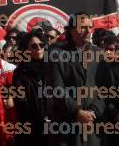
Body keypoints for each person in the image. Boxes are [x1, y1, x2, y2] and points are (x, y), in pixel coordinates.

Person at [45, 13, 106, 146]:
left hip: (93, 127)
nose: (88, 30)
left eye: (90, 27)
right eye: (83, 27)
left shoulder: (100, 54)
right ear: (72, 30)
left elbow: (105, 88)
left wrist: (93, 112)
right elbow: (56, 88)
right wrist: (77, 111)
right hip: (66, 126)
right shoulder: (57, 54)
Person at [12, 29, 47, 146]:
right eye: (34, 46)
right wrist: (41, 120)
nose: (39, 48)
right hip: (32, 130)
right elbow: (21, 102)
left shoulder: (53, 67)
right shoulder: (20, 72)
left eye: (41, 44)